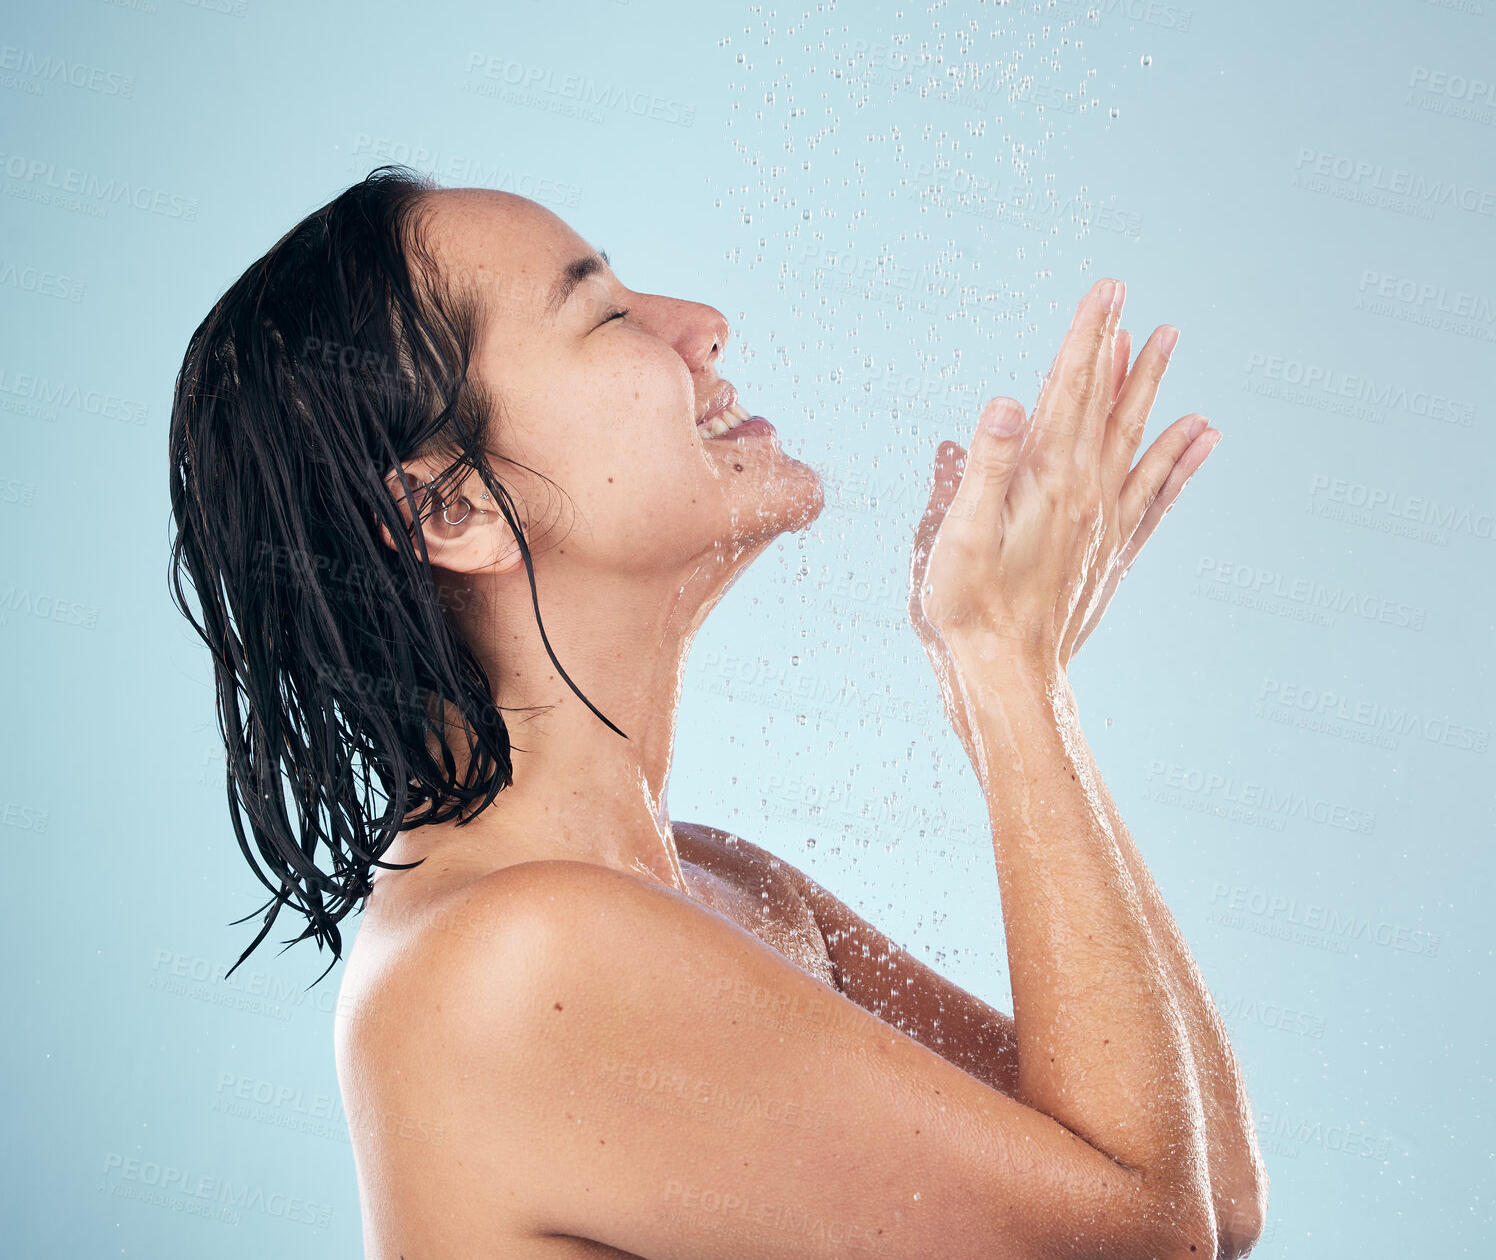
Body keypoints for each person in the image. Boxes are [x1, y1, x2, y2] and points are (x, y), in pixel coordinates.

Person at [167, 165, 1265, 1259]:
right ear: (451, 510)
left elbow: (1210, 1193)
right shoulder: (517, 958)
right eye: (602, 312)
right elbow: (1145, 1241)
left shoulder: (723, 884)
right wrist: (1005, 670)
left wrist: (1002, 685)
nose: (700, 325)